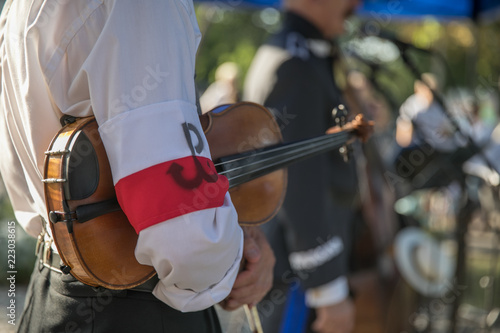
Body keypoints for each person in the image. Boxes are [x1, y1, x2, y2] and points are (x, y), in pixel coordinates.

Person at [0, 1, 274, 332]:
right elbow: (182, 237)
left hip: (52, 294)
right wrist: (234, 259)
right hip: (132, 310)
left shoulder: (20, 6)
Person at [243, 0, 361, 332]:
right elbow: (297, 181)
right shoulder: (295, 64)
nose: (358, 4)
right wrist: (329, 291)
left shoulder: (299, 54)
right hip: (297, 274)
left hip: (295, 266)